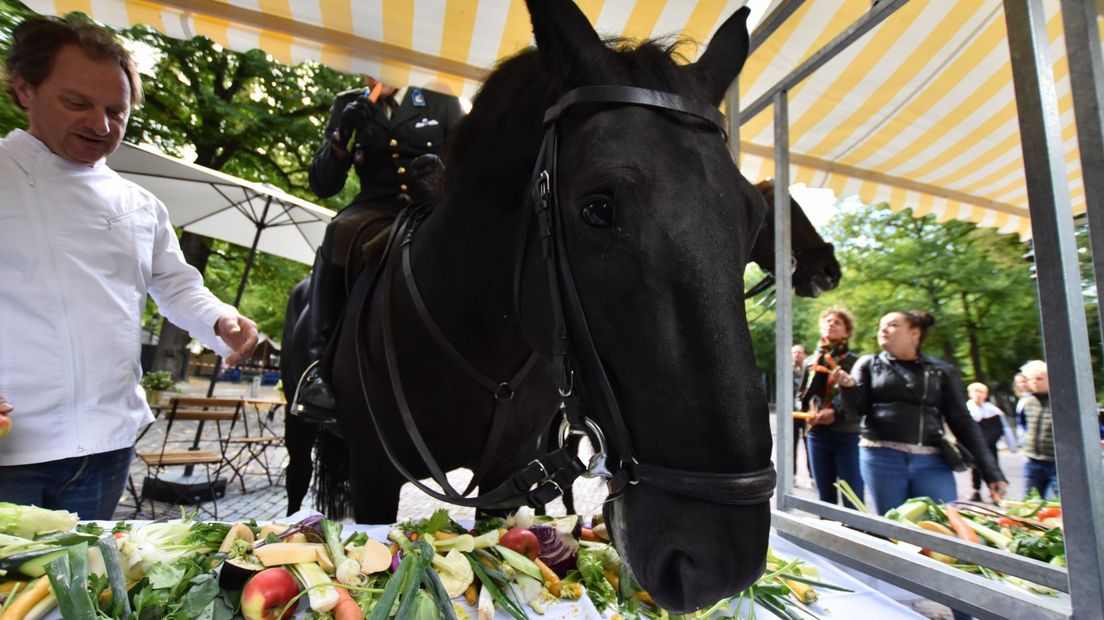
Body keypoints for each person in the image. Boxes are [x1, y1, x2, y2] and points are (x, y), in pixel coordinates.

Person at [0, 16, 258, 519]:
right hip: (12, 452)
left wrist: (220, 319)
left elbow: (178, 286)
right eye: (77, 103)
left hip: (107, 447)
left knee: (86, 586)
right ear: (25, 90)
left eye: (117, 112)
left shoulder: (141, 204)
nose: (101, 126)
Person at [295, 77, 464, 419]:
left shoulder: (441, 98)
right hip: (374, 207)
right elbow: (323, 184)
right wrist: (340, 139)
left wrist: (441, 174)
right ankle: (318, 367)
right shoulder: (348, 101)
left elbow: (469, 162)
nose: (371, 77)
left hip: (432, 207)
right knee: (339, 230)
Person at [837, 311, 1007, 515]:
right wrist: (847, 389)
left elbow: (962, 421)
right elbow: (855, 413)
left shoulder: (941, 371)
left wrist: (991, 472)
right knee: (894, 525)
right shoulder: (868, 364)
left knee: (940, 522)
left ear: (915, 334)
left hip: (931, 460)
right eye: (880, 325)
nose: (882, 329)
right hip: (881, 456)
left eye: (892, 325)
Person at [798, 307, 863, 509]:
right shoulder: (810, 362)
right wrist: (808, 413)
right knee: (824, 493)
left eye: (837, 322)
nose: (831, 324)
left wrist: (836, 412)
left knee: (852, 492)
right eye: (828, 321)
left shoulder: (856, 361)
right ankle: (827, 535)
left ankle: (857, 534)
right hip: (817, 434)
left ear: (847, 332)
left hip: (847, 434)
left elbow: (860, 397)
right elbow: (803, 394)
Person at [965, 382, 1014, 502]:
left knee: (993, 467)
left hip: (990, 445)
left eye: (980, 392)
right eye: (975, 391)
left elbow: (1000, 429)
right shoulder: (967, 409)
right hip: (973, 446)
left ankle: (994, 492)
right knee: (976, 469)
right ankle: (976, 490)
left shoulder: (992, 410)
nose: (978, 394)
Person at [1018, 360, 1058, 499]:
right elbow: (1023, 425)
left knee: (1063, 501)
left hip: (1056, 461)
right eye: (1030, 379)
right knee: (1029, 501)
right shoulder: (1028, 402)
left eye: (1039, 379)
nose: (1034, 382)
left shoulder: (1059, 400)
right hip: (1033, 459)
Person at [791, 344, 809, 481]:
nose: (797, 355)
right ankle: (792, 476)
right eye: (794, 352)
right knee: (791, 445)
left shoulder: (809, 370)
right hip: (791, 414)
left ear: (805, 355)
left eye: (799, 352)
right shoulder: (786, 371)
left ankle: (812, 476)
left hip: (807, 413)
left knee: (808, 444)